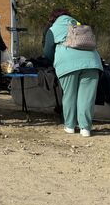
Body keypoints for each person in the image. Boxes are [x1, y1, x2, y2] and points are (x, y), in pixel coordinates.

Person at [43, 9, 103, 137]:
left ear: (53, 18)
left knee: (69, 95)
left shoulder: (53, 29)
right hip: (92, 63)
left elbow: (47, 52)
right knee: (87, 97)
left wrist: (51, 61)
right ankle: (85, 129)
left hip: (67, 64)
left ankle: (70, 126)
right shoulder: (80, 25)